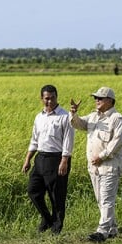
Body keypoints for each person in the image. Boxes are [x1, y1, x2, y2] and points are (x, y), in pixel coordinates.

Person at [69, 86, 122, 243]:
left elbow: (117, 142)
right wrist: (74, 113)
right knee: (101, 199)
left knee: (107, 199)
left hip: (109, 165)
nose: (96, 101)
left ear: (109, 100)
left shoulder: (117, 119)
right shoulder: (94, 116)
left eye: (100, 98)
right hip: (94, 166)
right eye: (95, 98)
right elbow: (79, 124)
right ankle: (112, 228)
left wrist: (102, 157)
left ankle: (102, 231)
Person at [22, 84, 74, 235]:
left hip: (57, 158)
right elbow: (34, 140)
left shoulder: (65, 116)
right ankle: (47, 219)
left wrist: (64, 161)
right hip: (41, 158)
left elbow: (68, 141)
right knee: (33, 191)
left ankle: (56, 228)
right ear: (41, 99)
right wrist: (28, 160)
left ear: (57, 97)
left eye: (52, 98)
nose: (49, 101)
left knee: (56, 195)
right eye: (46, 98)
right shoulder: (39, 117)